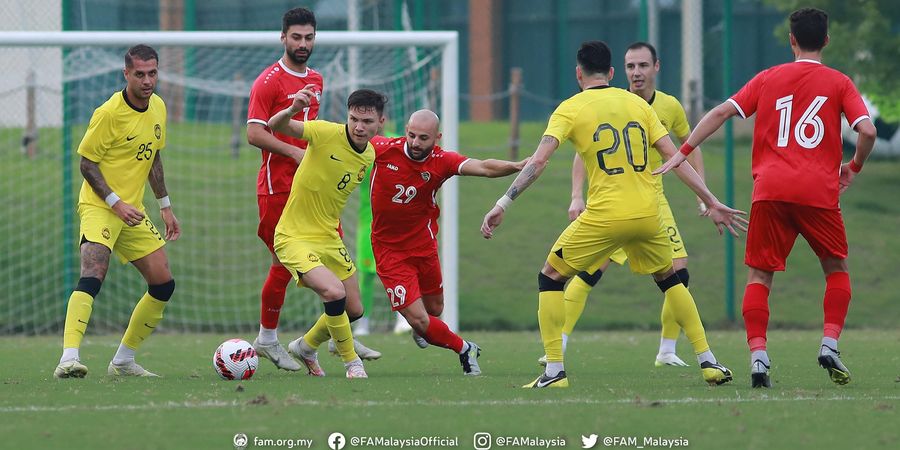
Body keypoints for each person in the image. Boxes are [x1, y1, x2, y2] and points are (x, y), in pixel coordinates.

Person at [481, 41, 746, 388]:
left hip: (605, 216)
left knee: (551, 277)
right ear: (610, 73)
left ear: (578, 74)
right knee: (669, 279)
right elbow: (676, 156)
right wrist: (710, 199)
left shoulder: (569, 108)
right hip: (649, 213)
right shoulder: (639, 105)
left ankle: (554, 371)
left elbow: (539, 161)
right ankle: (709, 361)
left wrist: (503, 202)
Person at [655, 8, 876, 388]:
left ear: (791, 40)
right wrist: (852, 168)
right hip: (818, 193)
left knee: (760, 275)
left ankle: (758, 358)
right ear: (826, 40)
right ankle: (829, 344)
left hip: (770, 190)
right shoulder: (839, 82)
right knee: (836, 269)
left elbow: (723, 111)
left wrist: (683, 149)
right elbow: (868, 131)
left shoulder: (768, 78)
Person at [539, 42, 708, 368]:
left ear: (656, 67)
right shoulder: (615, 103)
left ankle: (668, 350)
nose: (637, 72)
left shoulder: (668, 106)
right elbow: (581, 151)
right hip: (614, 203)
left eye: (643, 65)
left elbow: (686, 149)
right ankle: (557, 343)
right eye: (631, 66)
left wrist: (704, 195)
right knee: (588, 273)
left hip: (652, 200)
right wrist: (577, 195)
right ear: (620, 71)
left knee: (678, 271)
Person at [246, 7, 380, 369]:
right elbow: (254, 132)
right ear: (283, 37)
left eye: (309, 37)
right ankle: (268, 339)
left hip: (315, 192)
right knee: (282, 263)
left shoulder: (316, 79)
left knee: (339, 276)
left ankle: (330, 339)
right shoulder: (268, 82)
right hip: (278, 186)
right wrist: (293, 152)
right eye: (296, 37)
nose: (303, 44)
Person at [53, 45, 180, 378]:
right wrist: (115, 203)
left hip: (133, 210)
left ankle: (123, 360)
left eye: (152, 73)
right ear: (126, 74)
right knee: (94, 272)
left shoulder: (159, 108)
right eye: (140, 74)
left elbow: (152, 156)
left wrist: (165, 206)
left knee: (163, 283)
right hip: (101, 205)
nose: (147, 80)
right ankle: (68, 358)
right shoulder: (109, 113)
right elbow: (87, 163)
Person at [369, 110, 528, 375]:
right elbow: (343, 143)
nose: (416, 143)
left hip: (423, 245)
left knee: (434, 310)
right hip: (389, 250)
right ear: (405, 130)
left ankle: (427, 329)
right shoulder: (382, 148)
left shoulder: (441, 161)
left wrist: (515, 166)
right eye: (411, 135)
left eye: (423, 138)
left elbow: (484, 167)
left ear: (437, 137)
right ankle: (465, 348)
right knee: (420, 320)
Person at [267, 88, 388, 379]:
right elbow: (276, 126)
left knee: (354, 308)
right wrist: (293, 108)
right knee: (334, 293)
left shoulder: (369, 154)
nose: (359, 127)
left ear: (380, 122)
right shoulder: (323, 132)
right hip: (293, 235)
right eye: (354, 119)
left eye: (367, 121)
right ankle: (351, 363)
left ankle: (305, 346)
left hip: (329, 237)